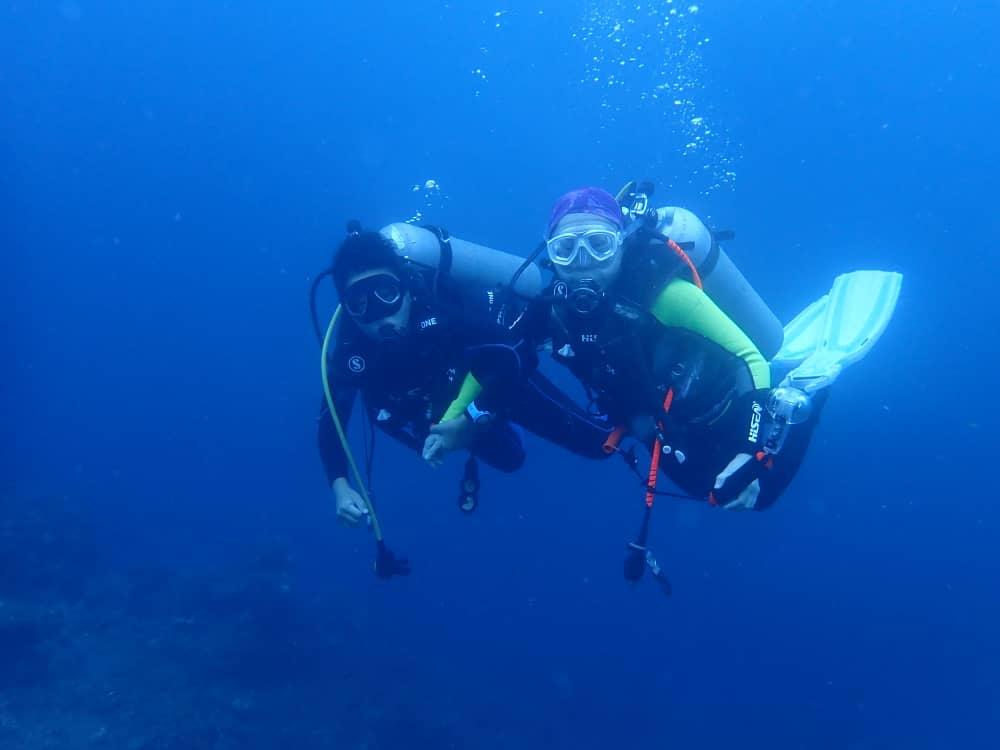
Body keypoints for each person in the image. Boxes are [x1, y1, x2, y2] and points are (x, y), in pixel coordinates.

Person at [316, 225, 611, 540]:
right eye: (359, 302)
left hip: (495, 379)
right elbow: (331, 419)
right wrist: (340, 485)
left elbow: (517, 354)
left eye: (386, 294)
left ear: (405, 288)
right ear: (348, 309)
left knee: (600, 444)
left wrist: (472, 418)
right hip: (442, 411)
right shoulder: (350, 351)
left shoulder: (438, 309)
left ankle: (620, 385)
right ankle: (486, 420)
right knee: (511, 458)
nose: (379, 314)